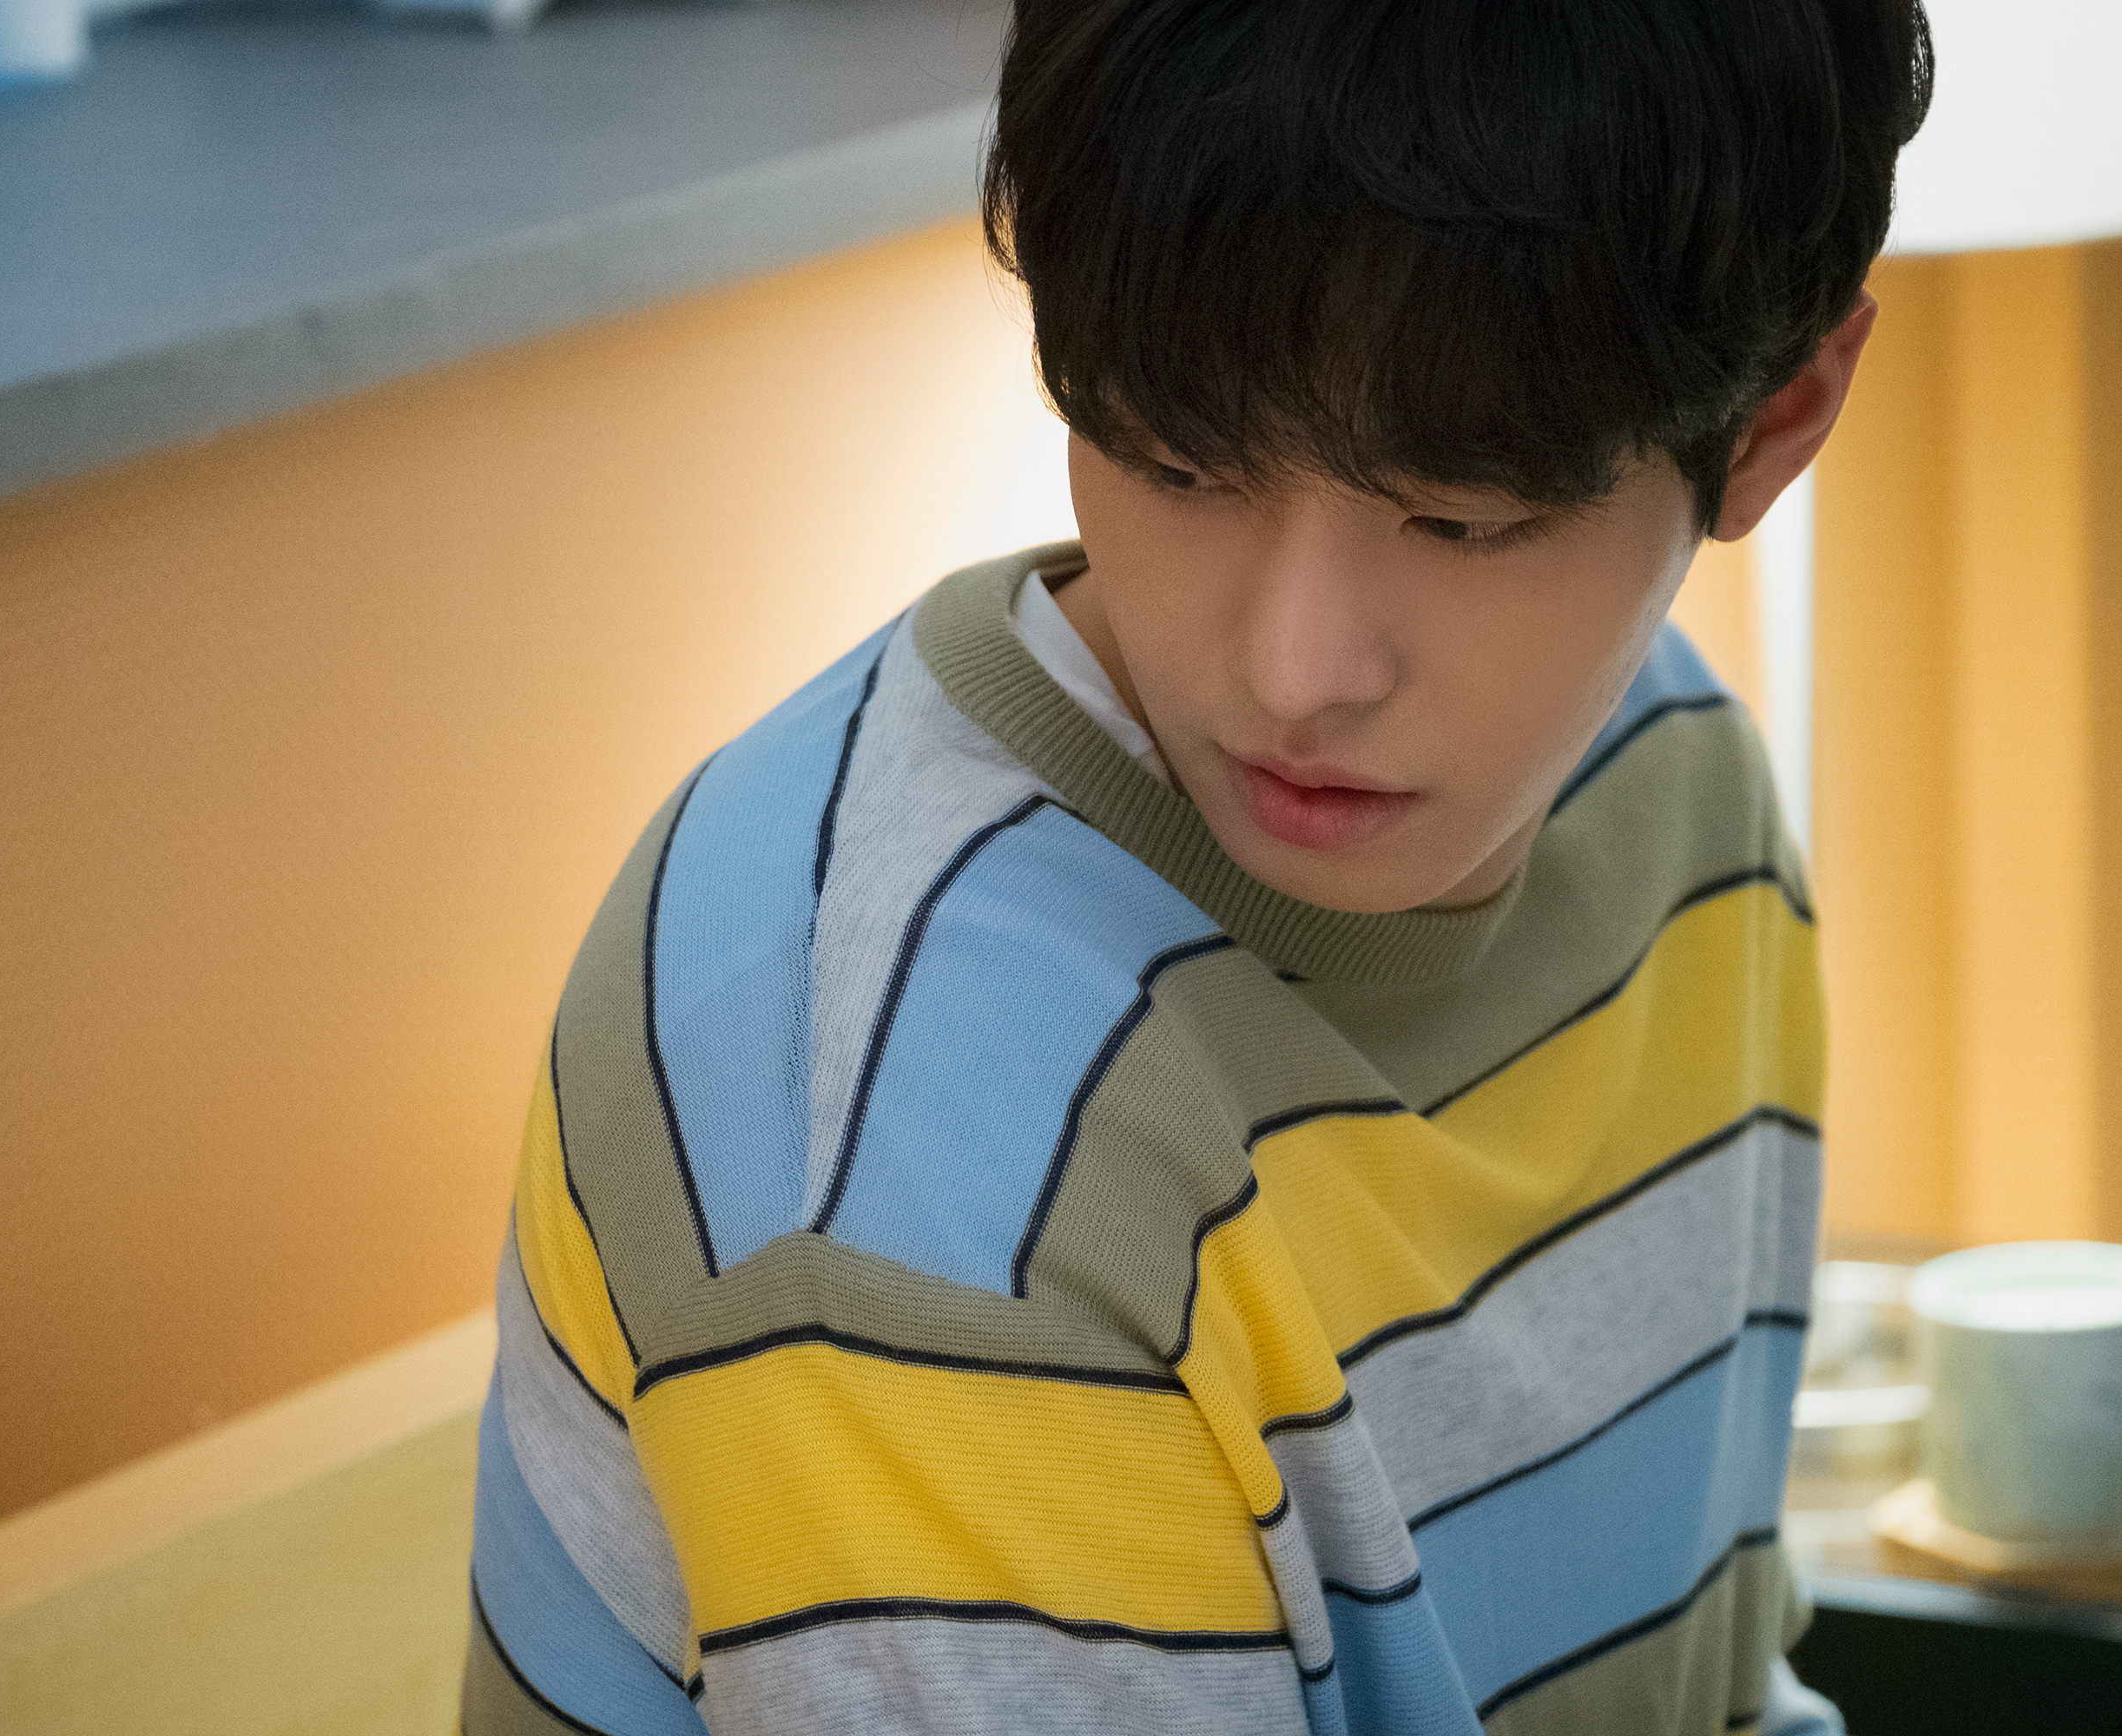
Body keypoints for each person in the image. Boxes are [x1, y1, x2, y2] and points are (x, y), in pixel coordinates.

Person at [458, 0, 1928, 1729]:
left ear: (1777, 419)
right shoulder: (917, 1137)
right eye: (1180, 459)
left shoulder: (1668, 786)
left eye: (1462, 519)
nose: (1297, 673)